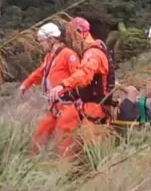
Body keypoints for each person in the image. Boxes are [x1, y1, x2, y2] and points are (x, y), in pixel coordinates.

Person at [45, 17, 114, 156]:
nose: (69, 42)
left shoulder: (92, 54)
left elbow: (84, 74)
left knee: (95, 152)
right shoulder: (93, 51)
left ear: (80, 33)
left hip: (96, 107)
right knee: (68, 128)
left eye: (71, 37)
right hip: (89, 105)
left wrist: (62, 85)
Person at [19, 22, 81, 156]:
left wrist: (63, 87)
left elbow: (78, 77)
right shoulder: (50, 57)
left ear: (52, 39)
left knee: (64, 142)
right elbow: (41, 72)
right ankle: (32, 164)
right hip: (54, 107)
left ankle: (68, 169)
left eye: (42, 41)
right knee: (40, 136)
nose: (41, 44)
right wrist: (26, 83)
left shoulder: (68, 55)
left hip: (68, 105)